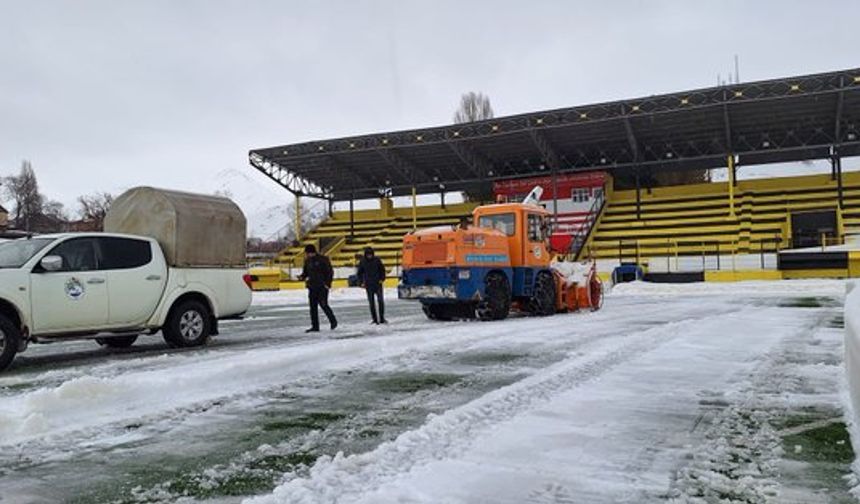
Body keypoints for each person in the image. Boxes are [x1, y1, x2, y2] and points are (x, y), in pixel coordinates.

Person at [298, 244, 337, 332]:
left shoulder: (323, 259)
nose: (307, 255)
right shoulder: (307, 261)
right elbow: (305, 273)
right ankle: (315, 326)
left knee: (323, 304)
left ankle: (333, 321)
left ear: (312, 252)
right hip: (312, 286)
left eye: (308, 253)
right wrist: (302, 277)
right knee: (313, 307)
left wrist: (328, 284)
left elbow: (330, 272)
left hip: (322, 286)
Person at [357, 246, 387, 324]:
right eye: (368, 255)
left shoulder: (377, 260)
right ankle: (374, 319)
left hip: (378, 284)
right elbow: (359, 273)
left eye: (370, 254)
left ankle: (382, 318)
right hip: (368, 285)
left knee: (380, 301)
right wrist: (361, 282)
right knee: (371, 303)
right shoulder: (363, 261)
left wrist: (382, 279)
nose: (369, 256)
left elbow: (382, 270)